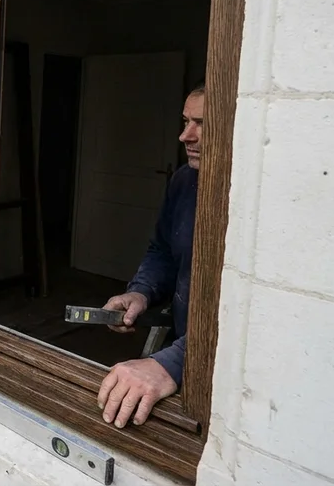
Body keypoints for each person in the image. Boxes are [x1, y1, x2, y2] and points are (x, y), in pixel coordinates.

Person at [97, 84, 204, 428]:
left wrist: (172, 363)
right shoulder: (184, 180)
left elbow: (250, 315)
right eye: (185, 120)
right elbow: (163, 251)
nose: (185, 135)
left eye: (201, 124)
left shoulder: (258, 192)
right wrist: (141, 291)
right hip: (188, 349)